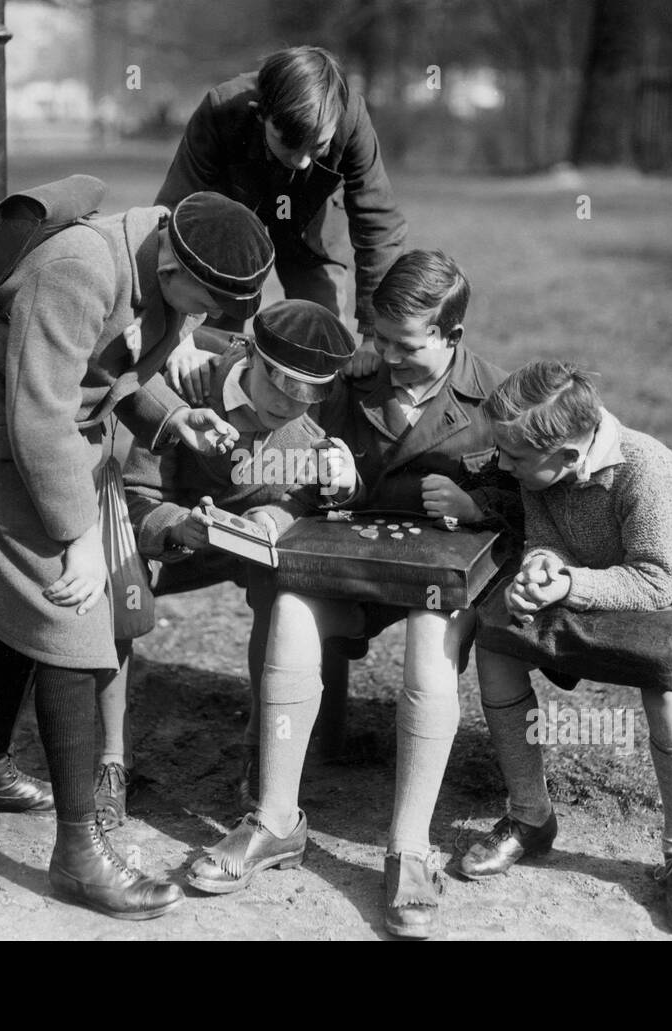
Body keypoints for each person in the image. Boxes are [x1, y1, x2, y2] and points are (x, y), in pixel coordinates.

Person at [0, 188, 275, 921]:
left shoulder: (158, 267)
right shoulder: (81, 270)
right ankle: (78, 855)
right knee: (73, 610)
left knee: (29, 600)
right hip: (0, 429)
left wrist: (175, 417)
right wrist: (79, 538)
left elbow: (115, 369)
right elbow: (38, 413)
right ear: (175, 262)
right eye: (208, 303)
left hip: (59, 428)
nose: (207, 320)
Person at [185, 249, 523, 939]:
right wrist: (318, 477)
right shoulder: (352, 380)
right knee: (290, 610)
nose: (387, 354)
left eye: (406, 344)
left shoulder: (496, 397)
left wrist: (478, 503)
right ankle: (276, 819)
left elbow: (532, 505)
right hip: (351, 565)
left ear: (452, 338)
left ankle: (409, 845)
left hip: (440, 581)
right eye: (378, 336)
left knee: (431, 642)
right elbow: (274, 469)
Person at [468, 360, 672, 933]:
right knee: (496, 640)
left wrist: (568, 584)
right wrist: (538, 570)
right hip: (607, 582)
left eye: (515, 458)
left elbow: (652, 583)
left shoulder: (645, 471)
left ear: (571, 457)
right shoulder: (539, 471)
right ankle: (530, 817)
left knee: (667, 684)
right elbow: (547, 537)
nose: (502, 465)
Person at [89, 300, 358, 827]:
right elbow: (138, 494)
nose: (289, 405)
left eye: (308, 395)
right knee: (116, 588)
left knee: (288, 595)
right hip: (171, 536)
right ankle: (110, 760)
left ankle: (262, 751)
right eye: (279, 385)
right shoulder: (188, 384)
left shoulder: (309, 415)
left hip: (250, 546)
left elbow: (309, 495)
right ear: (248, 353)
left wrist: (273, 518)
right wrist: (180, 527)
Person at [156, 45, 406, 352]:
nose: (301, 161)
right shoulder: (220, 109)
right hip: (229, 234)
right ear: (261, 113)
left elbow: (379, 224)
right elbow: (174, 211)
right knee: (210, 336)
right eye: (287, 144)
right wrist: (172, 330)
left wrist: (374, 335)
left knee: (322, 338)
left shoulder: (351, 118)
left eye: (318, 147)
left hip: (311, 231)